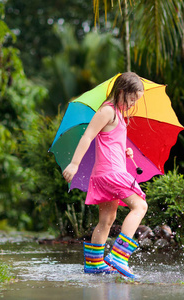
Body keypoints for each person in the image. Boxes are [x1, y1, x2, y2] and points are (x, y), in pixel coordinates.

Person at [62, 72, 147, 279]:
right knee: (140, 206)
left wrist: (125, 151)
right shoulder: (107, 111)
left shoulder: (117, 114)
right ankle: (119, 256)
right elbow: (88, 135)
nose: (133, 103)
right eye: (132, 98)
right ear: (121, 92)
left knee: (107, 219)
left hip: (107, 172)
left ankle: (94, 264)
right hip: (111, 173)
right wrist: (74, 164)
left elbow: (110, 141)